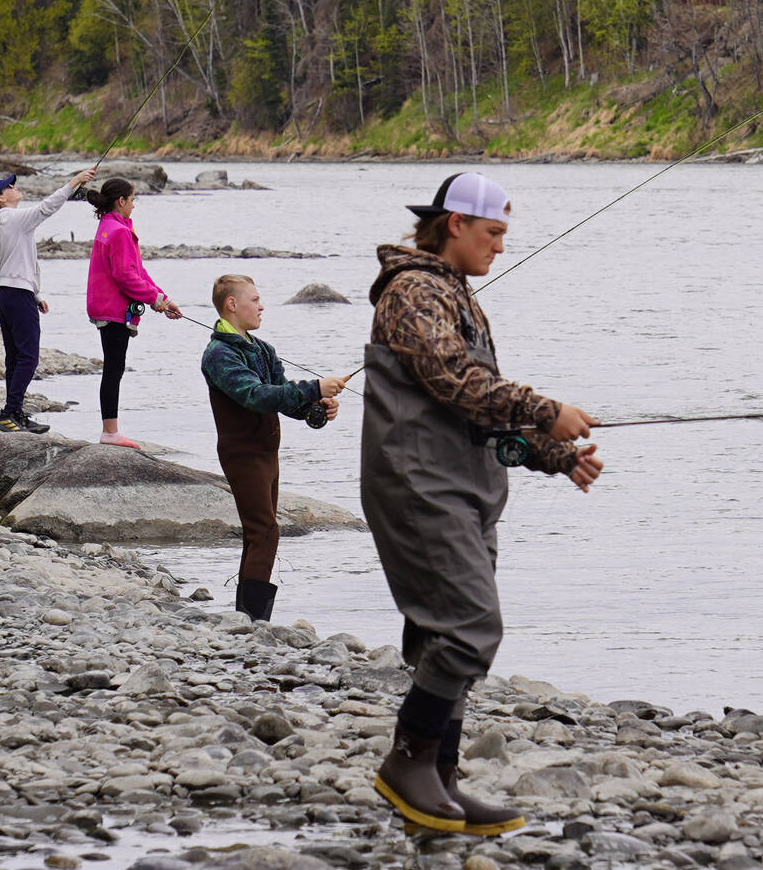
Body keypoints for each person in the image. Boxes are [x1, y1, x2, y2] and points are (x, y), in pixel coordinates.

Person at [361, 171, 604, 836]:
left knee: (442, 632)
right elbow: (455, 380)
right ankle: (406, 764)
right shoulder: (413, 290)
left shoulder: (453, 291)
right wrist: (546, 409)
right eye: (493, 233)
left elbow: (473, 409)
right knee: (471, 625)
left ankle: (439, 780)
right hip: (418, 484)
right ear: (455, 225)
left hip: (459, 484)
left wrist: (556, 453)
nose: (501, 246)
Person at [201, 274, 346, 622]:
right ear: (232, 305)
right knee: (266, 531)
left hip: (267, 454)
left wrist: (318, 408)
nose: (261, 305)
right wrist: (313, 386)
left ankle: (244, 619)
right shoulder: (218, 354)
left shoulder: (263, 350)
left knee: (257, 533)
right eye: (254, 299)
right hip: (242, 453)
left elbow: (286, 401)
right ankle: (254, 620)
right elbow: (255, 395)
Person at [0, 166, 97, 433]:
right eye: (9, 187)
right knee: (28, 358)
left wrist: (36, 294)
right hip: (16, 294)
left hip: (9, 293)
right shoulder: (13, 219)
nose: (15, 188)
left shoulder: (9, 222)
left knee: (15, 358)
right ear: (1, 198)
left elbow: (25, 262)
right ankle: (9, 412)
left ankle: (16, 413)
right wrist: (74, 182)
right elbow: (47, 207)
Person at [83, 176, 182, 446]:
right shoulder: (120, 232)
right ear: (121, 201)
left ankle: (110, 430)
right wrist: (156, 299)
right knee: (114, 368)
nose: (134, 206)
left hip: (103, 306)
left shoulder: (108, 226)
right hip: (113, 309)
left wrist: (162, 298)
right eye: (132, 200)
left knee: (113, 367)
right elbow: (126, 277)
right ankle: (110, 432)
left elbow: (137, 271)